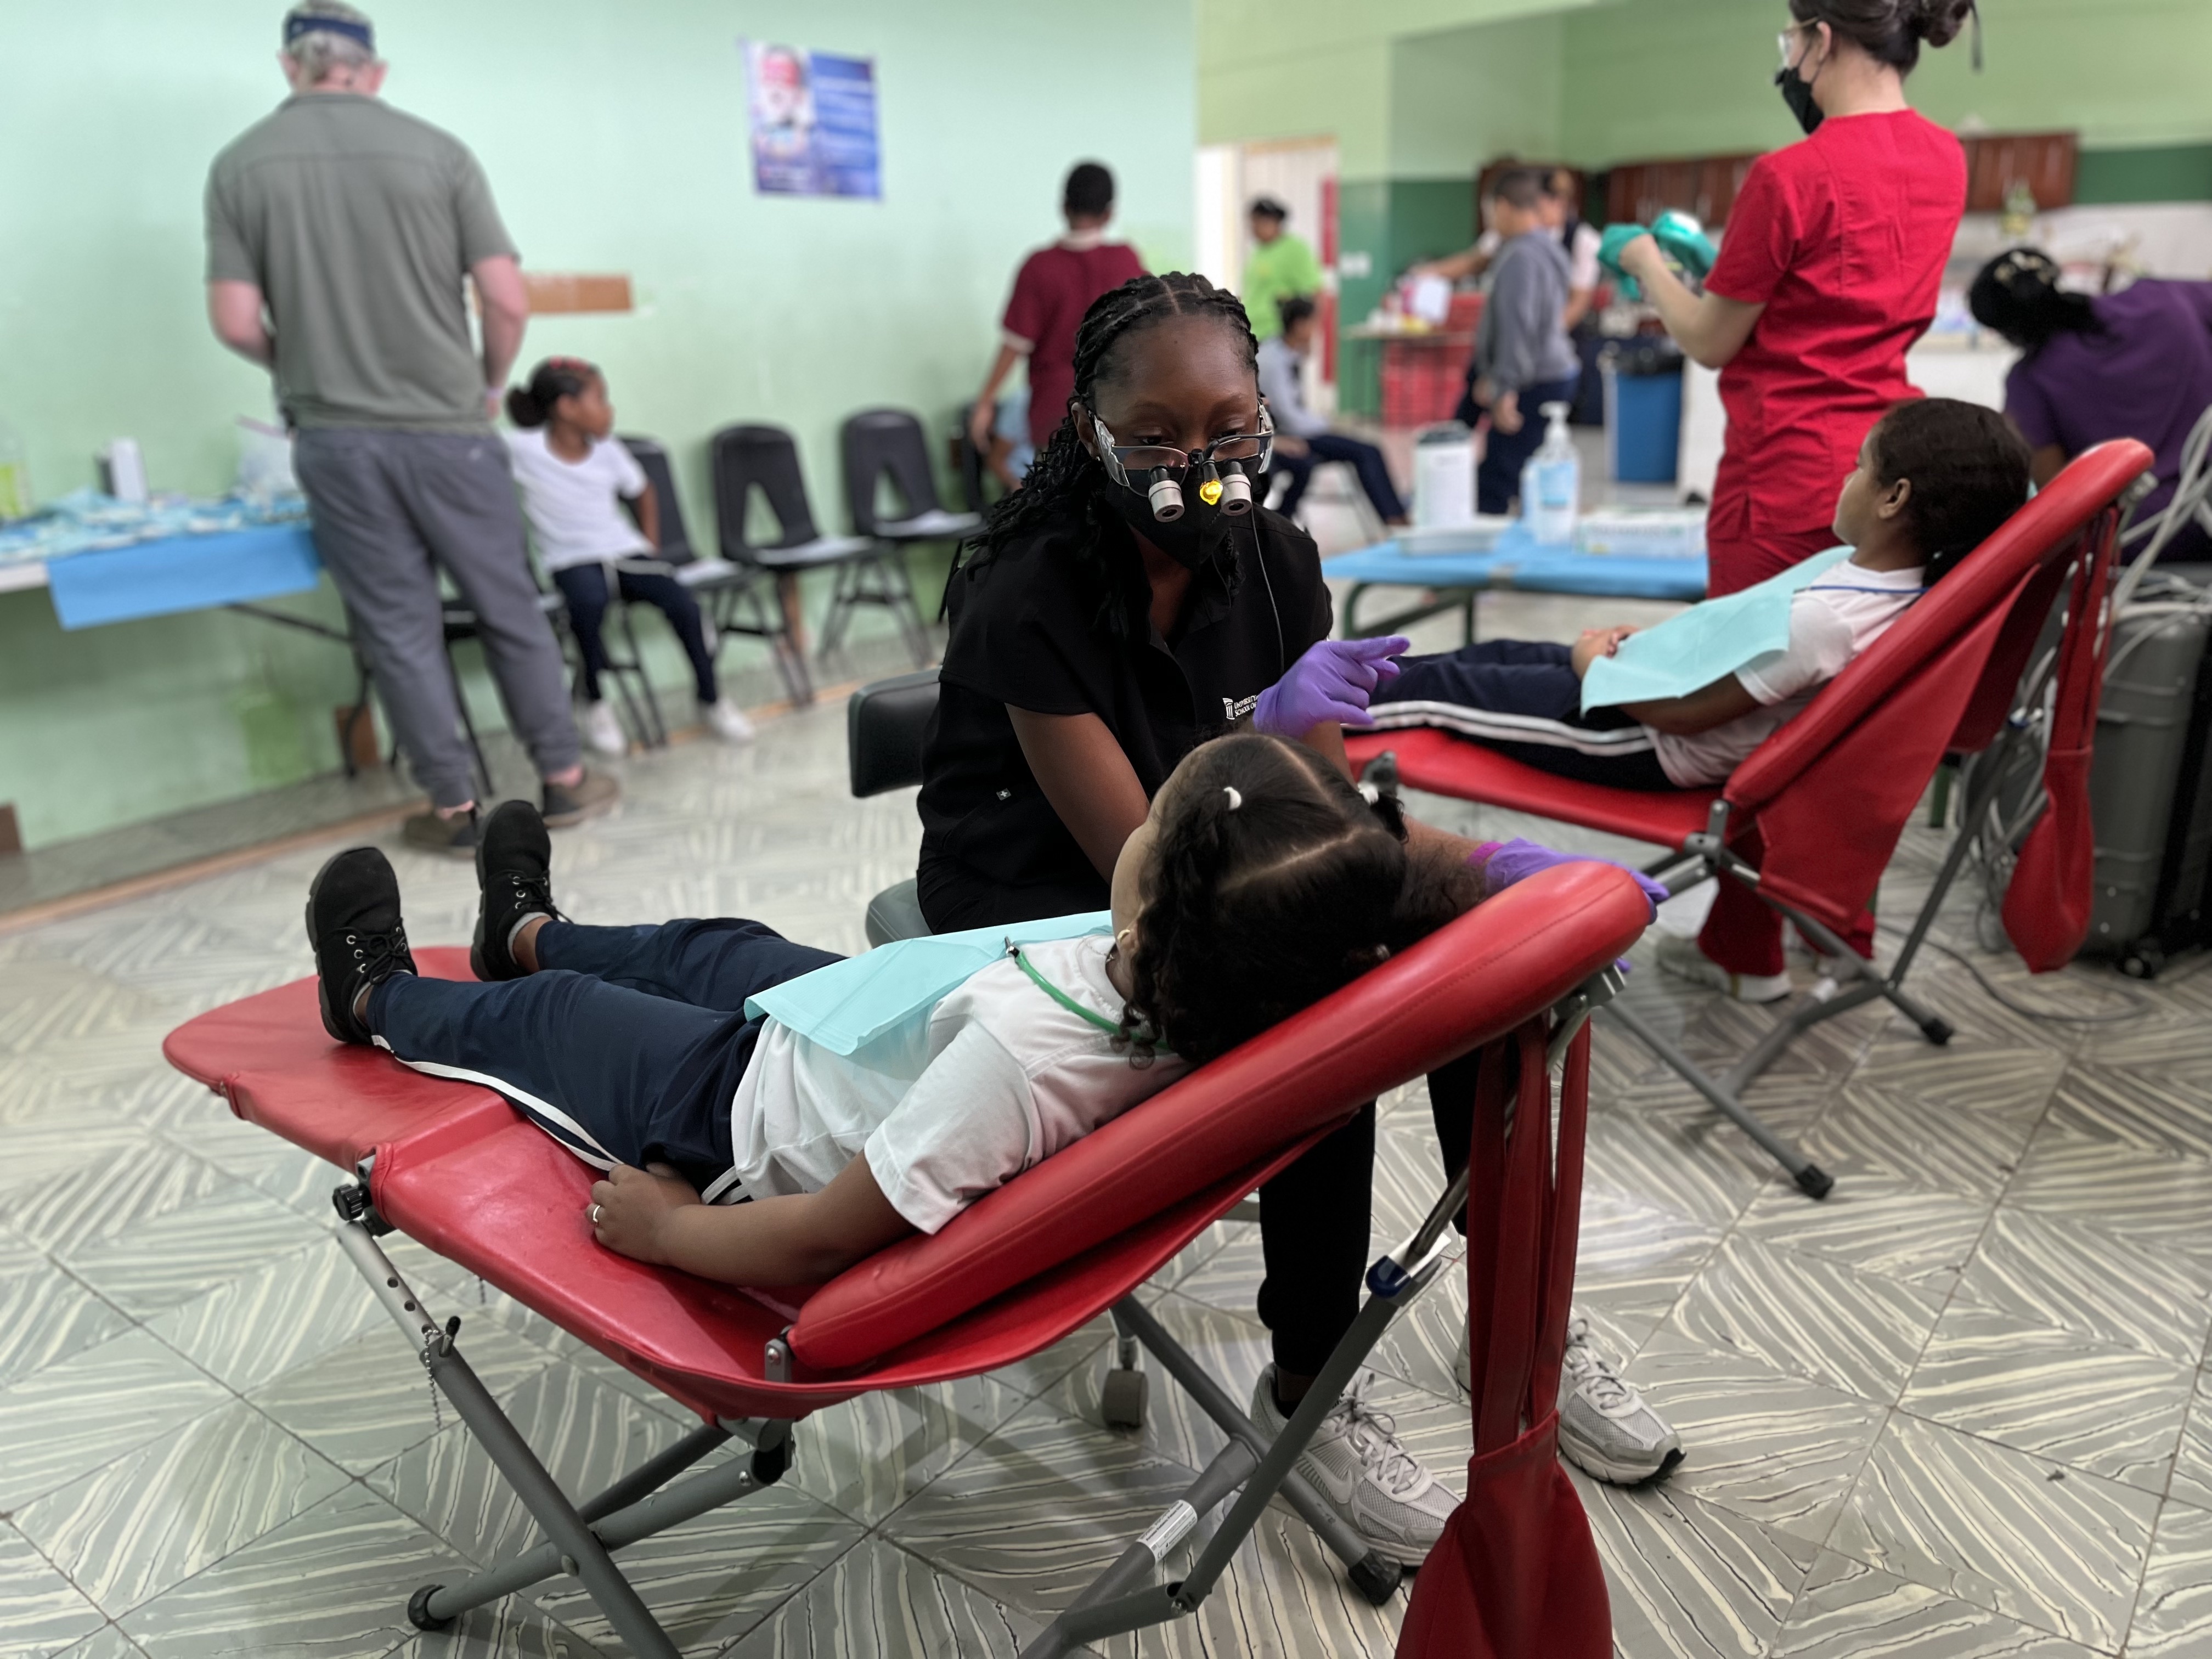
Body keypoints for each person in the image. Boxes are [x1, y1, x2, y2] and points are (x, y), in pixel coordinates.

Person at [917, 271, 1684, 1557]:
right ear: (1087, 426)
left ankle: (1522, 1327)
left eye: (1227, 429)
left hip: (1229, 844)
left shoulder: (1273, 563)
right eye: (1155, 436)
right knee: (1319, 993)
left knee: (1484, 974)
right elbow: (1154, 864)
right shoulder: (1027, 589)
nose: (1197, 462)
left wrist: (1489, 879)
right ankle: (1309, 1381)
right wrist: (1341, 810)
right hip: (1060, 892)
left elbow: (1312, 806)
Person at [303, 737, 1468, 1304]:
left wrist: (664, 1235)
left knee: (566, 1021)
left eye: (1150, 825)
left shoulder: (1017, 1071)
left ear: (1156, 897)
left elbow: (822, 1238)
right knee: (706, 947)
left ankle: (372, 998)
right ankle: (524, 929)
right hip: (854, 1031)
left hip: (742, 1118)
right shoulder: (1211, 979)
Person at [1364, 398, 2033, 1000]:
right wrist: (1646, 645)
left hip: (1639, 737)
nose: (1846, 480)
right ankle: (1336, 683)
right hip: (1640, 691)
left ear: (1895, 498)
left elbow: (1692, 715)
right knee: (1498, 653)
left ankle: (1312, 724)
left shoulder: (1829, 621)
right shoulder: (1884, 589)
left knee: (1445, 690)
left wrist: (1592, 661)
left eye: (1860, 467)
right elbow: (1729, 637)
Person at [204, 3, 617, 855]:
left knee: (398, 625)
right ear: (374, 71)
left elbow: (236, 319)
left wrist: (305, 362)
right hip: (451, 430)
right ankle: (565, 782)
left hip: (335, 439)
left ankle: (455, 808)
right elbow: (505, 298)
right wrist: (489, 383)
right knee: (508, 605)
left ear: (291, 66)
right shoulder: (441, 153)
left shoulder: (240, 166)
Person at [1612, 0, 1978, 596]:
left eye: (1793, 43)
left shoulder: (1788, 175)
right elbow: (1843, 291)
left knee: (1755, 678)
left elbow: (1710, 340)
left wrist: (1647, 264)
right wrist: (1731, 275)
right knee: (1849, 676)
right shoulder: (1946, 158)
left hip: (1787, 479)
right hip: (1890, 472)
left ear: (1822, 40)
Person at [502, 358, 754, 756]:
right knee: (587, 605)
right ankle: (596, 702)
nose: (609, 410)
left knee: (683, 604)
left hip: (625, 552)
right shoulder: (523, 449)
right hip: (572, 560)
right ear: (567, 408)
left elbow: (643, 491)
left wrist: (648, 545)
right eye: (600, 399)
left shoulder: (608, 450)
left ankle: (712, 699)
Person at [1971, 248, 2212, 564]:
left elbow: (2059, 502)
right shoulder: (2162, 299)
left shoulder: (2029, 383)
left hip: (2143, 539)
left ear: (2007, 331)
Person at [969, 163, 1147, 460]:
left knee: (1059, 497)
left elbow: (1014, 344)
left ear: (1064, 208)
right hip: (1119, 409)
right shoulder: (1127, 262)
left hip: (1056, 413)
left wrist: (985, 401)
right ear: (1109, 213)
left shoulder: (1039, 267)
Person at [1465, 168, 1581, 515]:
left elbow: (1518, 327)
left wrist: (1505, 387)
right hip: (1555, 373)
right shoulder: (1550, 248)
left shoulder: (1520, 257)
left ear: (1502, 207)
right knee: (1528, 477)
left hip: (1534, 379)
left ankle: (1487, 563)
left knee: (1496, 482)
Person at [1258, 297, 1408, 529]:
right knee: (1367, 452)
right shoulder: (1272, 360)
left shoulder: (1287, 352)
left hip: (1297, 430)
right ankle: (1394, 519)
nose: (1315, 331)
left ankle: (1396, 515)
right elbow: (1288, 415)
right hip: (1291, 434)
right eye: (1312, 324)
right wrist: (1328, 426)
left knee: (1368, 449)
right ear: (1299, 325)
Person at [1240, 197, 1325, 343]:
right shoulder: (1259, 251)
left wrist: (1309, 334)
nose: (1252, 228)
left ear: (1272, 222)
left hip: (1277, 335)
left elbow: (1317, 292)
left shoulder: (1294, 249)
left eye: (1256, 222)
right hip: (1253, 333)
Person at [1543, 168, 1606, 334]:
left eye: (1564, 195)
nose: (1560, 201)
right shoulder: (1522, 234)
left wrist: (1545, 339)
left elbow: (1579, 303)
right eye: (1553, 194)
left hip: (1563, 335)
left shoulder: (1584, 238)